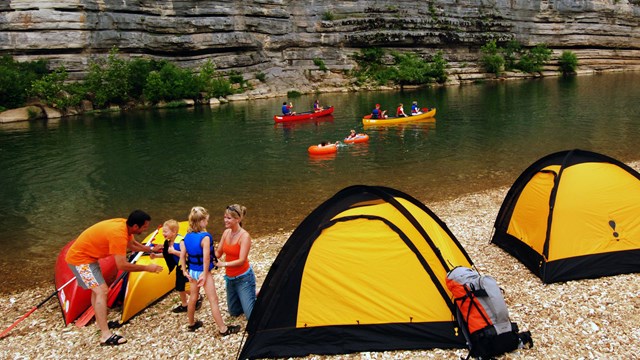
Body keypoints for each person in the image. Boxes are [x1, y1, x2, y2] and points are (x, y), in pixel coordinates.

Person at [65, 210, 163, 346]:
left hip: (90, 258)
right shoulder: (118, 234)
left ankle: (101, 324)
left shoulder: (124, 225)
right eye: (145, 227)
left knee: (97, 291)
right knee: (102, 291)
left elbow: (132, 245)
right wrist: (147, 268)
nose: (146, 229)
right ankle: (105, 336)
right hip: (80, 260)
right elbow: (122, 265)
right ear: (135, 227)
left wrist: (151, 250)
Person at [179, 206, 240, 335]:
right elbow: (206, 259)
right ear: (201, 221)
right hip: (203, 272)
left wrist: (184, 271)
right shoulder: (205, 237)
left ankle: (191, 323)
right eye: (206, 220)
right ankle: (223, 329)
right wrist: (205, 275)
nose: (207, 223)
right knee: (213, 300)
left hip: (192, 271)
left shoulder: (187, 236)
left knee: (193, 297)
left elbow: (182, 255)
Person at [214, 204, 257, 320]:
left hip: (244, 278)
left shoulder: (245, 236)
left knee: (251, 317)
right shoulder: (226, 233)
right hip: (230, 279)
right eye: (225, 217)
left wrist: (224, 264)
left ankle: (255, 294)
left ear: (237, 219)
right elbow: (218, 253)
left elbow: (242, 260)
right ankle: (250, 296)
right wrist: (204, 253)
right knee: (234, 312)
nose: (225, 220)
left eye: (228, 218)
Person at [151, 219, 202, 313]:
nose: (163, 233)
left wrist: (174, 251)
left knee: (186, 287)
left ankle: (197, 297)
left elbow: (186, 254)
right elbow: (167, 255)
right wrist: (156, 256)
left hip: (186, 266)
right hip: (179, 267)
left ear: (174, 231)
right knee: (179, 287)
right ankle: (184, 304)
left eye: (165, 231)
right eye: (163, 231)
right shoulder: (168, 242)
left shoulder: (180, 241)